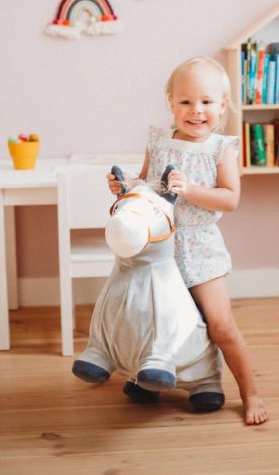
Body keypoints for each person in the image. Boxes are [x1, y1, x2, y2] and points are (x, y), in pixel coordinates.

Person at [107, 57, 268, 425]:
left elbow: (230, 198)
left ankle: (250, 393)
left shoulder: (221, 148)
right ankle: (149, 379)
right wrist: (126, 185)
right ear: (171, 102)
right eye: (186, 101)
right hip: (157, 247)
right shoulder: (158, 140)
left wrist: (191, 189)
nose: (197, 110)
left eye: (207, 102)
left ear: (222, 105)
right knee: (152, 318)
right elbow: (147, 185)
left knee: (220, 324)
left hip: (198, 249)